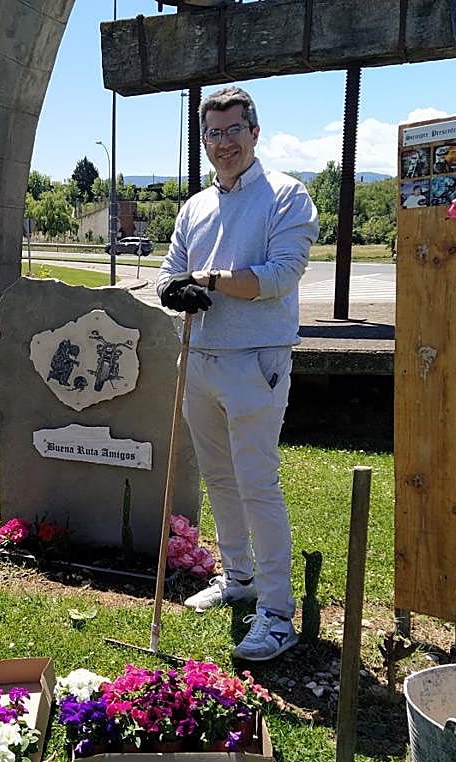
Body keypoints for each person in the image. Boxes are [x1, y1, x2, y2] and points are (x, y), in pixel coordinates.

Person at [157, 87, 319, 662]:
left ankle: (277, 612)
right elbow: (169, 272)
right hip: (197, 360)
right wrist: (173, 288)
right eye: (213, 134)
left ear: (254, 131)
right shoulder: (194, 206)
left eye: (232, 131)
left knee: (257, 484)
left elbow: (280, 276)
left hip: (257, 362)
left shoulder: (287, 197)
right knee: (219, 480)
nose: (222, 143)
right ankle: (239, 578)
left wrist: (210, 280)